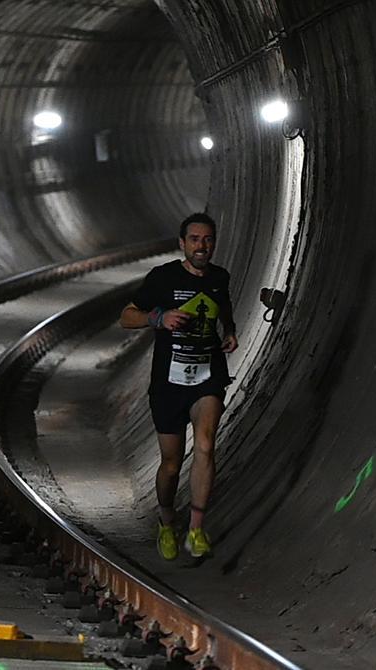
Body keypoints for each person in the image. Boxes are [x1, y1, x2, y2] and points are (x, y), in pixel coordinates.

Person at [119, 212, 237, 560]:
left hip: (207, 376)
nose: (202, 246)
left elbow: (223, 309)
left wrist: (229, 332)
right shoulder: (163, 278)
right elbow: (127, 316)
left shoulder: (219, 278)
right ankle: (167, 519)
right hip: (169, 383)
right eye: (196, 239)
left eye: (208, 240)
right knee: (171, 463)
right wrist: (158, 318)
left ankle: (197, 529)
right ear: (182, 244)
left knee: (205, 446)